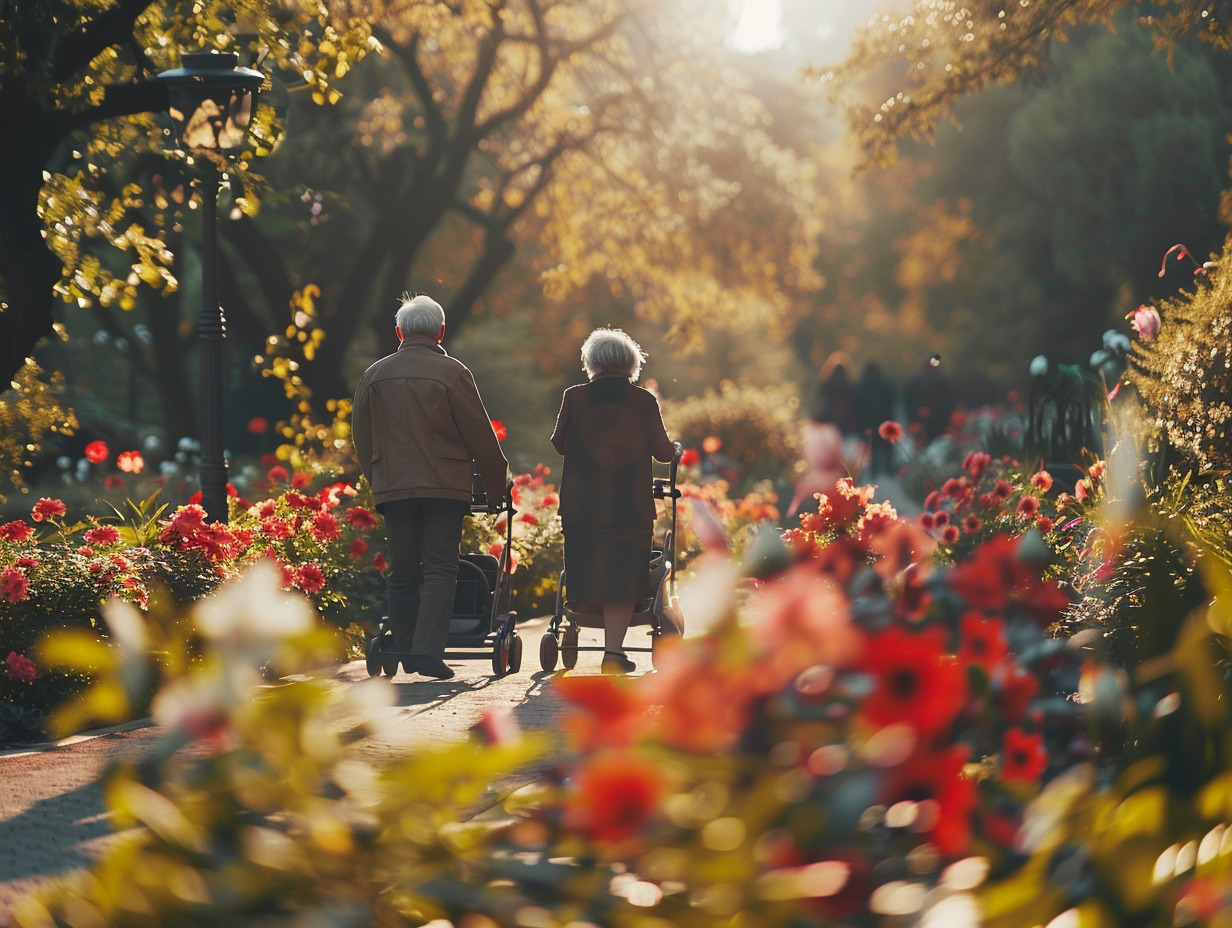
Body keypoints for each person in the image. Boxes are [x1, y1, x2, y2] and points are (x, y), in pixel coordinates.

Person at [352, 294, 508, 680]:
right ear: (441, 330)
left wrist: (379, 481)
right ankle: (427, 653)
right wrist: (493, 491)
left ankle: (404, 647)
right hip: (444, 486)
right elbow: (481, 439)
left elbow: (362, 436)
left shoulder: (374, 375)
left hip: (394, 487)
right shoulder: (453, 373)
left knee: (402, 570)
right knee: (441, 568)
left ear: (399, 331)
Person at [550, 328, 675, 674]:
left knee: (586, 569)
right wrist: (675, 449)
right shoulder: (644, 401)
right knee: (622, 576)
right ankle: (613, 653)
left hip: (581, 506)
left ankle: (578, 628)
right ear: (631, 364)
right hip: (629, 507)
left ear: (591, 363)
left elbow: (559, 443)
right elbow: (664, 453)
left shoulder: (574, 397)